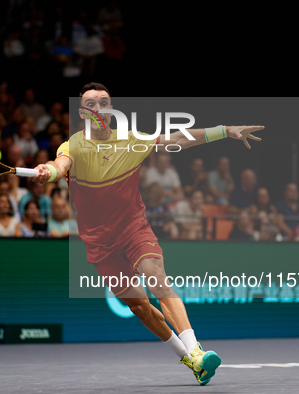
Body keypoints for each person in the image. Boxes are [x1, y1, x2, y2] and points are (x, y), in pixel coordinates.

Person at [32, 82, 264, 386]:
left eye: (104, 102)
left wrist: (225, 129)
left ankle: (196, 350)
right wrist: (47, 171)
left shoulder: (131, 140)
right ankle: (188, 358)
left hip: (132, 226)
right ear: (82, 113)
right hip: (100, 243)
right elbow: (59, 164)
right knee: (139, 306)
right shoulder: (74, 145)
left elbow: (179, 138)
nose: (99, 108)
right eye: (91, 104)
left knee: (156, 275)